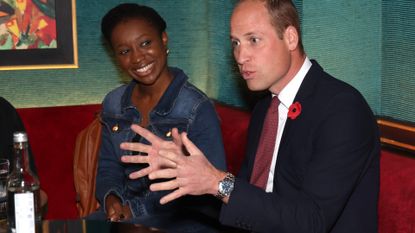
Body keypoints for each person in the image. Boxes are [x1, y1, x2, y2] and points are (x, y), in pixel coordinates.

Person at [120, 0, 381, 232]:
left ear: (290, 37)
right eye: (235, 43)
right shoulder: (265, 110)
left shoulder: (342, 109)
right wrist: (187, 176)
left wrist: (216, 181)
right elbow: (248, 206)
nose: (241, 56)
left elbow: (311, 221)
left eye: (253, 40)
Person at [93, 3, 226, 232]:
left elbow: (211, 190)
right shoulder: (114, 104)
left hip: (183, 218)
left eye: (145, 43)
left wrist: (134, 209)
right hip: (126, 215)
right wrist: (111, 200)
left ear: (164, 40)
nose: (137, 58)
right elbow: (108, 168)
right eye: (125, 51)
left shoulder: (196, 108)